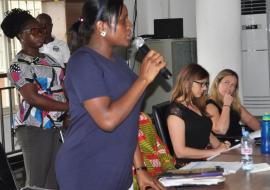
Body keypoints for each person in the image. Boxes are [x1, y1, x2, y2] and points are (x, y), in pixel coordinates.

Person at [55, 0, 166, 189]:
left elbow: (128, 120)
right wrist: (144, 79)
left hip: (118, 173)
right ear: (101, 26)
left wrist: (140, 169)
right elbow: (108, 120)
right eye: (123, 20)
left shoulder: (118, 63)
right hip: (87, 169)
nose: (130, 25)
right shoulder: (83, 62)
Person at [1, 9, 68, 189]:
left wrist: (67, 110)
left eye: (42, 29)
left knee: (54, 180)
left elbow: (62, 84)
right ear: (21, 36)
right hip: (35, 127)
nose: (41, 33)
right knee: (37, 182)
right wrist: (68, 107)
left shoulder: (49, 59)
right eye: (35, 30)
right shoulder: (18, 64)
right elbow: (33, 98)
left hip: (56, 124)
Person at [166, 64, 230, 168]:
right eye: (201, 84)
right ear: (187, 82)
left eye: (206, 84)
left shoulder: (196, 104)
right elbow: (180, 152)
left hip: (202, 162)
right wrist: (215, 151)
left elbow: (205, 131)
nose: (204, 88)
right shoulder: (176, 111)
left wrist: (221, 146)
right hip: (186, 168)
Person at [206, 69, 260, 139]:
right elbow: (220, 130)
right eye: (226, 82)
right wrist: (226, 105)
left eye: (233, 85)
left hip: (239, 143)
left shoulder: (235, 104)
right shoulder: (210, 105)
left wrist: (265, 133)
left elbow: (249, 120)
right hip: (222, 146)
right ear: (217, 83)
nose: (229, 87)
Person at [133, 112, 175, 189]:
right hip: (139, 181)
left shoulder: (142, 117)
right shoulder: (114, 127)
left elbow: (160, 148)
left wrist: (170, 170)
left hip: (160, 177)